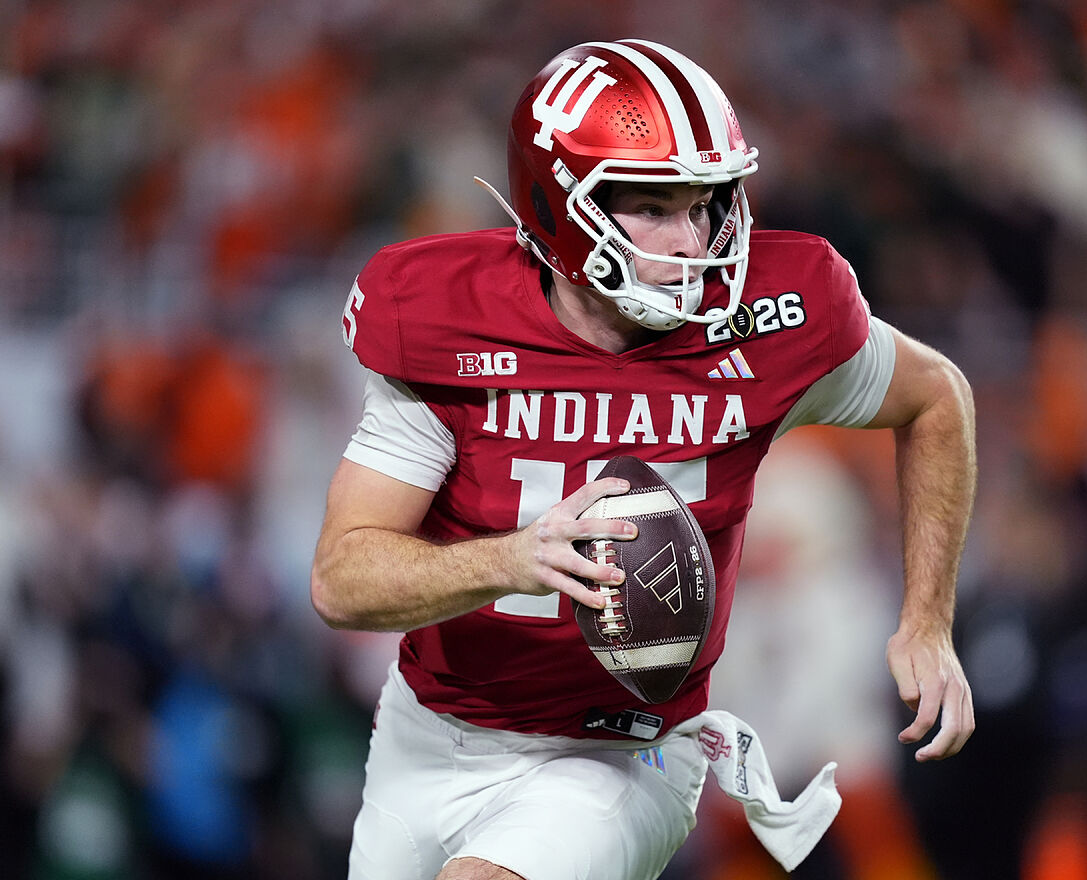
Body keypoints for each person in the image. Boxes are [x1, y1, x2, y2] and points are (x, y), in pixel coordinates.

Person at [311, 38, 976, 880]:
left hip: (631, 753)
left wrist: (928, 620)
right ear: (560, 205)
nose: (694, 241)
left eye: (704, 205)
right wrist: (512, 560)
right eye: (656, 207)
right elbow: (341, 579)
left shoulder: (766, 319)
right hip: (429, 737)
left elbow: (936, 396)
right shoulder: (449, 319)